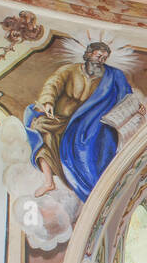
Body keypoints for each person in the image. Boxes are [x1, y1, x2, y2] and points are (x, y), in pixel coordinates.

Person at [24, 42, 134, 200]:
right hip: (61, 118)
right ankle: (48, 181)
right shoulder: (69, 70)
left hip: (89, 121)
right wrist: (48, 102)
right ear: (88, 54)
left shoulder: (111, 76)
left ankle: (92, 184)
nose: (100, 60)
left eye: (104, 58)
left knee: (100, 139)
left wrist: (136, 106)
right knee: (40, 127)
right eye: (98, 56)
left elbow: (127, 96)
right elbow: (52, 85)